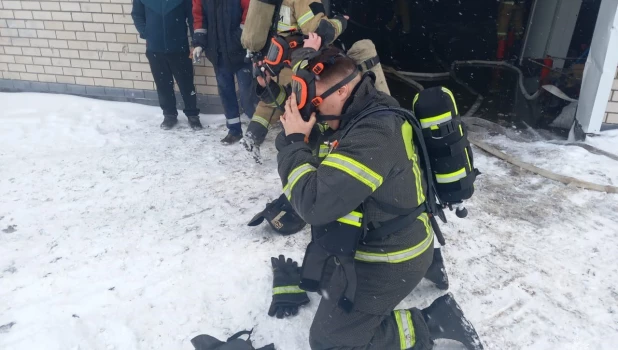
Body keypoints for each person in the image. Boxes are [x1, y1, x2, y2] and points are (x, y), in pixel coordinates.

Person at [269, 35, 483, 349]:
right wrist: (307, 52)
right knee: (322, 275)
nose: (312, 108)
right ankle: (430, 266)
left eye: (314, 99)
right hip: (381, 234)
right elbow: (316, 73)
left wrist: (293, 144)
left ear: (341, 90)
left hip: (392, 256)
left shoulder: (373, 134)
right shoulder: (366, 105)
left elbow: (314, 204)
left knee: (331, 341)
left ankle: (432, 322)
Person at [240, 0, 348, 161]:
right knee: (300, 102)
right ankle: (310, 149)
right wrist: (341, 22)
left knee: (273, 98)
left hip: (271, 57)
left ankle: (253, 134)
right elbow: (318, 31)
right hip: (296, 62)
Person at [191, 0, 258, 144]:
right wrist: (199, 44)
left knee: (248, 93)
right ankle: (234, 130)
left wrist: (240, 39)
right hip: (218, 53)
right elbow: (199, 19)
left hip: (241, 52)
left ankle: (256, 131)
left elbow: (249, 14)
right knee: (226, 93)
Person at [131, 0, 202, 130]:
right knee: (163, 84)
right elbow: (137, 15)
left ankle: (192, 115)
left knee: (186, 84)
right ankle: (169, 115)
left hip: (179, 48)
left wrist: (195, 42)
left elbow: (192, 18)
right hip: (155, 48)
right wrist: (146, 32)